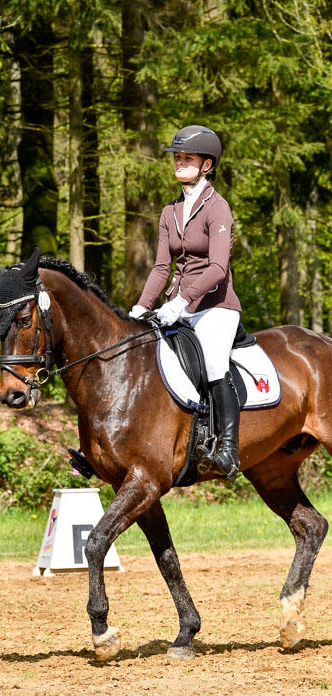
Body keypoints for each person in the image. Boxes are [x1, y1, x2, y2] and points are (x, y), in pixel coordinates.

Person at [129, 124, 241, 481]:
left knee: (214, 364)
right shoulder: (170, 211)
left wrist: (182, 301)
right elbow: (162, 267)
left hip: (215, 306)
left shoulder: (218, 208)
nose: (179, 163)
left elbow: (218, 268)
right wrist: (141, 307)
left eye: (187, 158)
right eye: (177, 157)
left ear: (207, 165)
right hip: (176, 306)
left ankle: (228, 451)